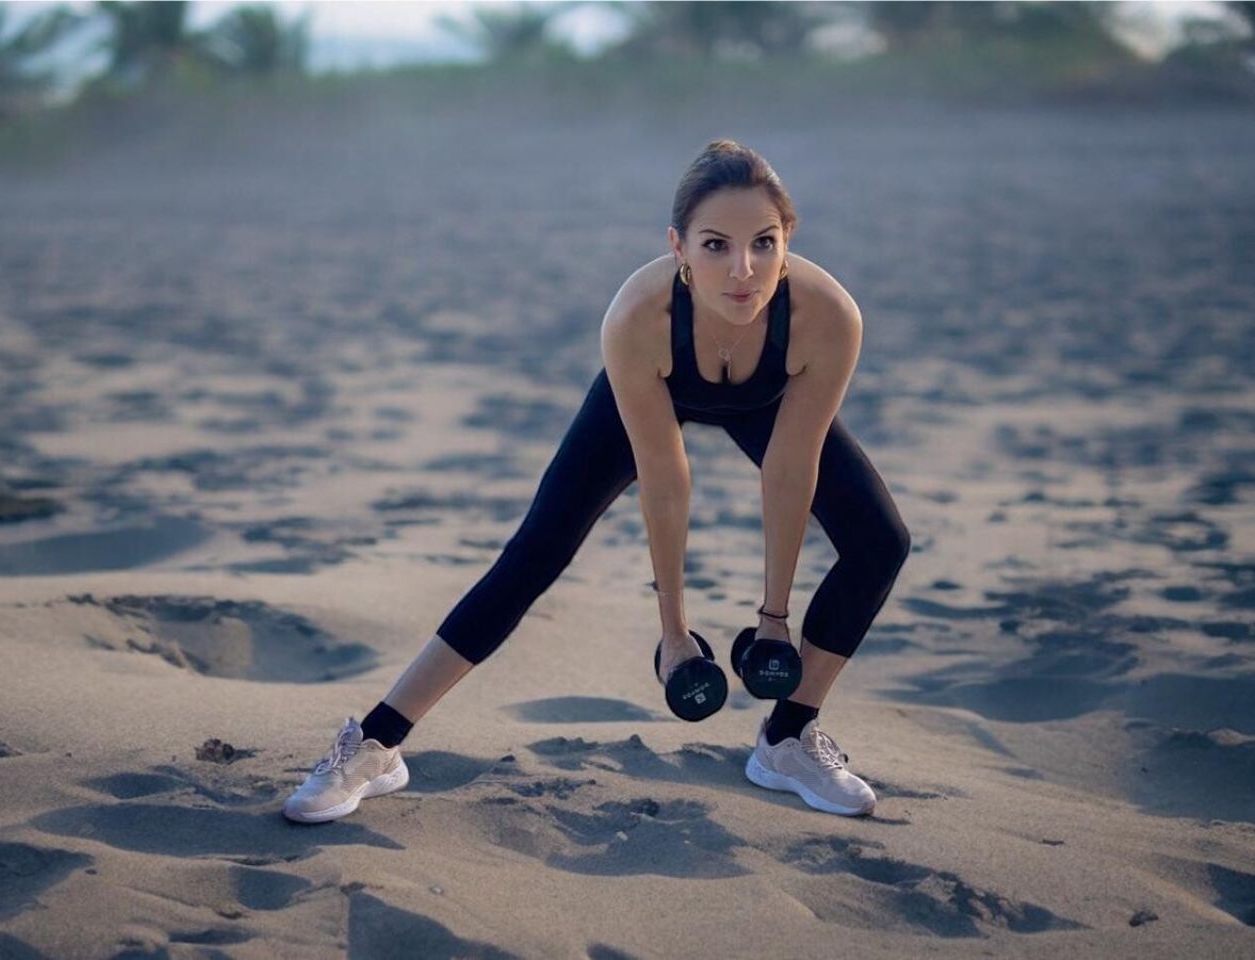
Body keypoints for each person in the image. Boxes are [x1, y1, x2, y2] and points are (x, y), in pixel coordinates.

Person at [283, 139, 910, 823]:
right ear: (678, 246)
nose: (743, 269)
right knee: (536, 552)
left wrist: (775, 622)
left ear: (789, 237)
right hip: (649, 389)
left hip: (767, 401)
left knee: (880, 540)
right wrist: (675, 633)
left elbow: (790, 473)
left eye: (764, 242)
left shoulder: (829, 318)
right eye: (715, 245)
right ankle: (377, 743)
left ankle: (787, 738)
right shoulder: (637, 317)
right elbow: (665, 481)